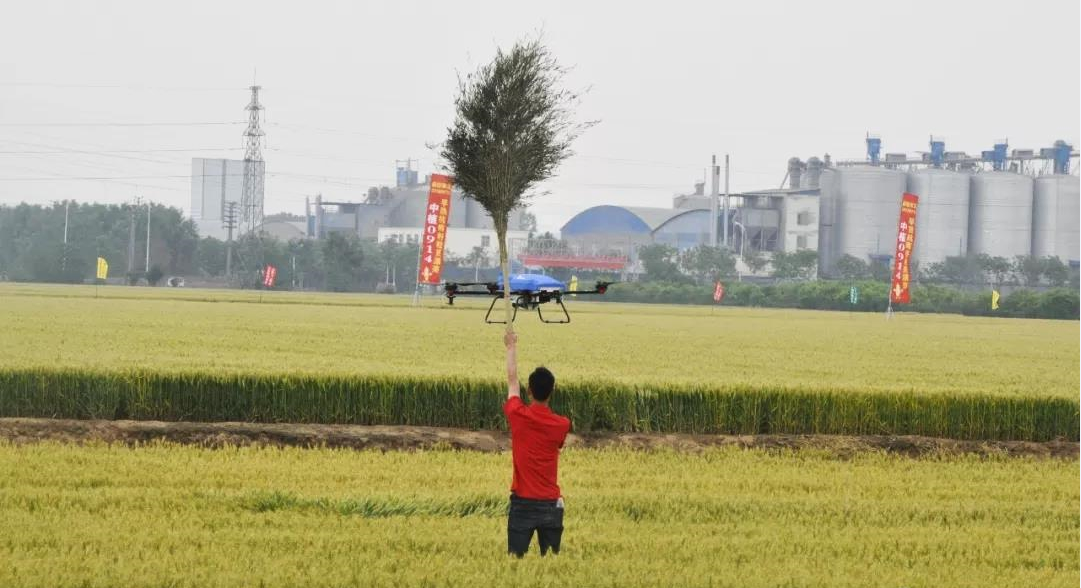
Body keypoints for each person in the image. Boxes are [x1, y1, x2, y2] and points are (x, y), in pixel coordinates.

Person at [502, 331, 571, 557]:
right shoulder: (561, 425)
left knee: (515, 562)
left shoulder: (517, 414)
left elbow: (512, 382)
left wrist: (511, 347)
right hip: (551, 504)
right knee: (552, 565)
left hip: (522, 503)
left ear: (529, 391)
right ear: (552, 391)